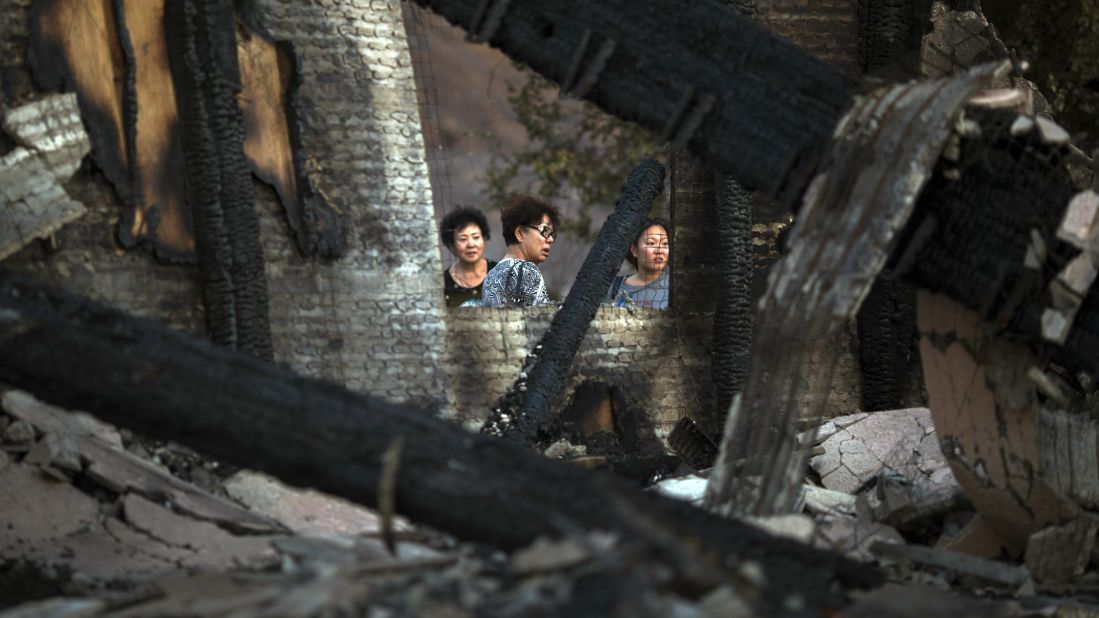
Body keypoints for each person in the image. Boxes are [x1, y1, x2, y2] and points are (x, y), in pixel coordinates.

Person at [482, 194, 561, 307]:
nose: (551, 239)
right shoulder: (527, 270)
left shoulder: (490, 276)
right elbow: (540, 321)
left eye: (552, 234)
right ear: (519, 233)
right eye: (545, 231)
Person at [606, 217, 670, 309]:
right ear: (635, 250)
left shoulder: (676, 287)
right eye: (651, 243)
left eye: (665, 243)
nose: (659, 250)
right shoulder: (613, 287)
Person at [439, 207, 497, 308]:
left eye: (476, 237)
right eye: (463, 239)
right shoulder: (443, 283)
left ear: (484, 239)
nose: (471, 244)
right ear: (451, 245)